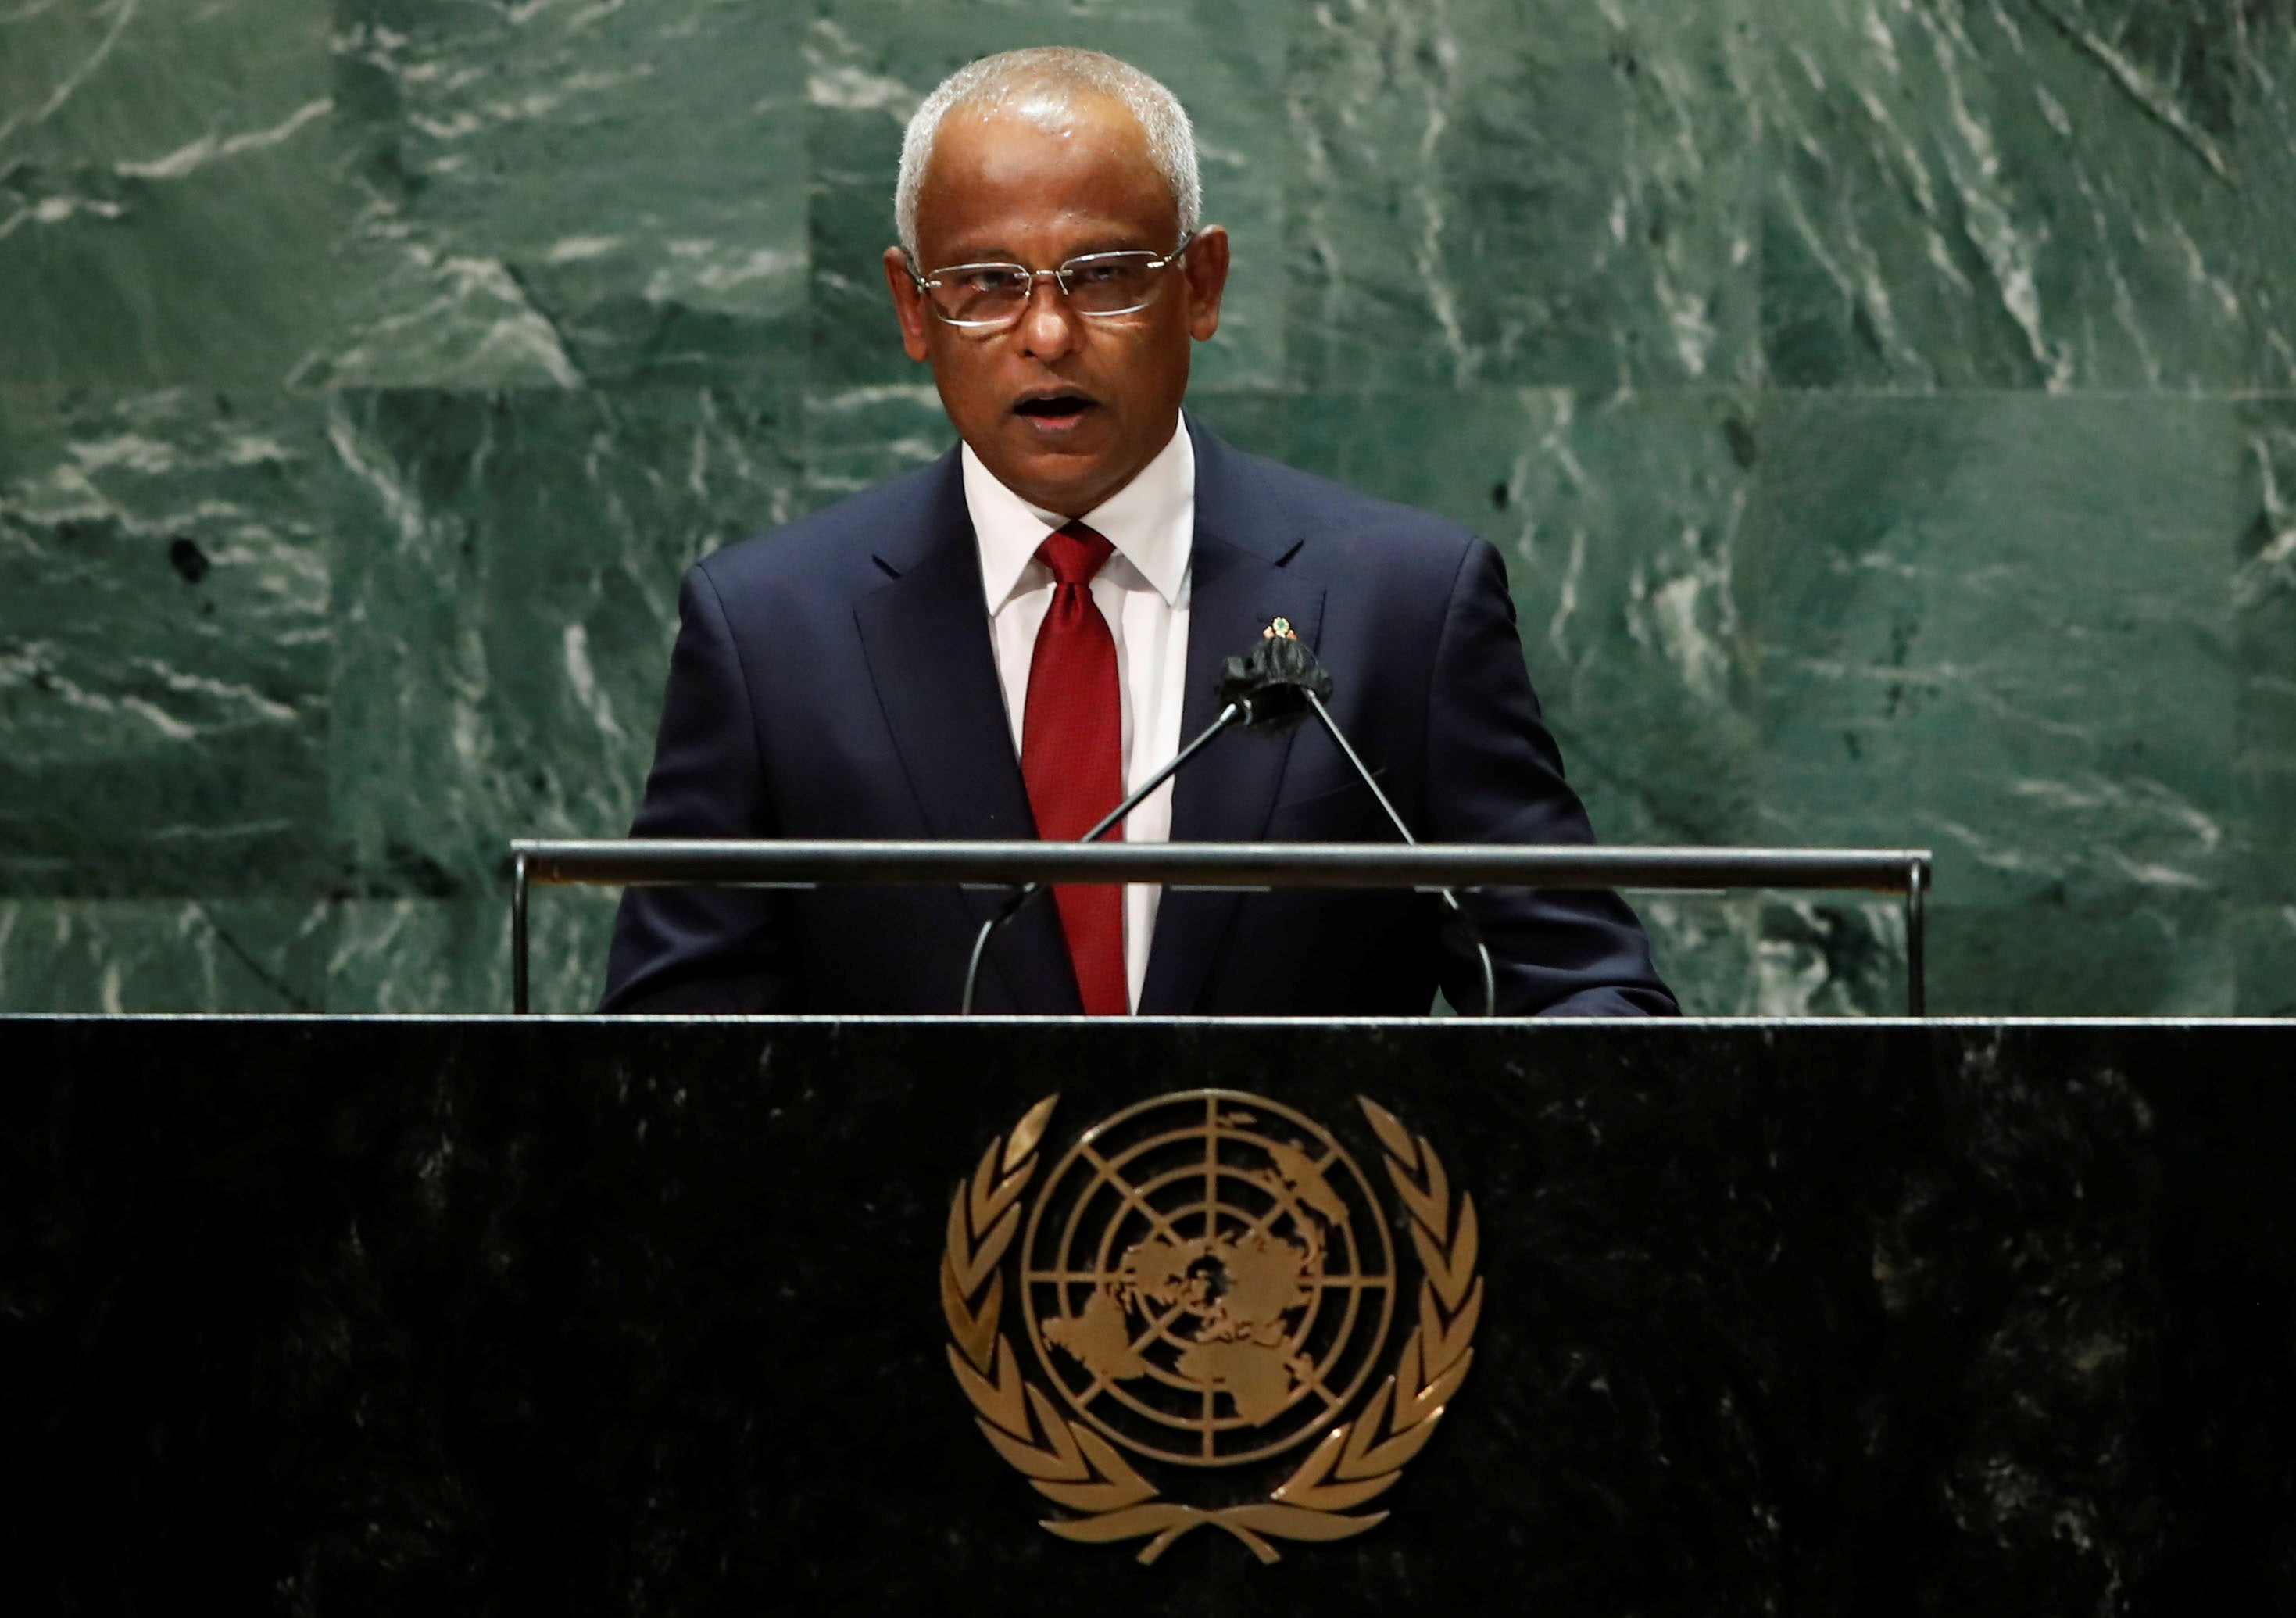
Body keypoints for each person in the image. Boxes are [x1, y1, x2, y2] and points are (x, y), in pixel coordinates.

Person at [600, 48, 1676, 1018]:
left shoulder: (1405, 606)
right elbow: (668, 1053)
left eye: (1104, 276)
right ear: (913, 309)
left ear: (1200, 285)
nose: (1047, 333)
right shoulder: (771, 633)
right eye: (986, 285)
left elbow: (1581, 992)